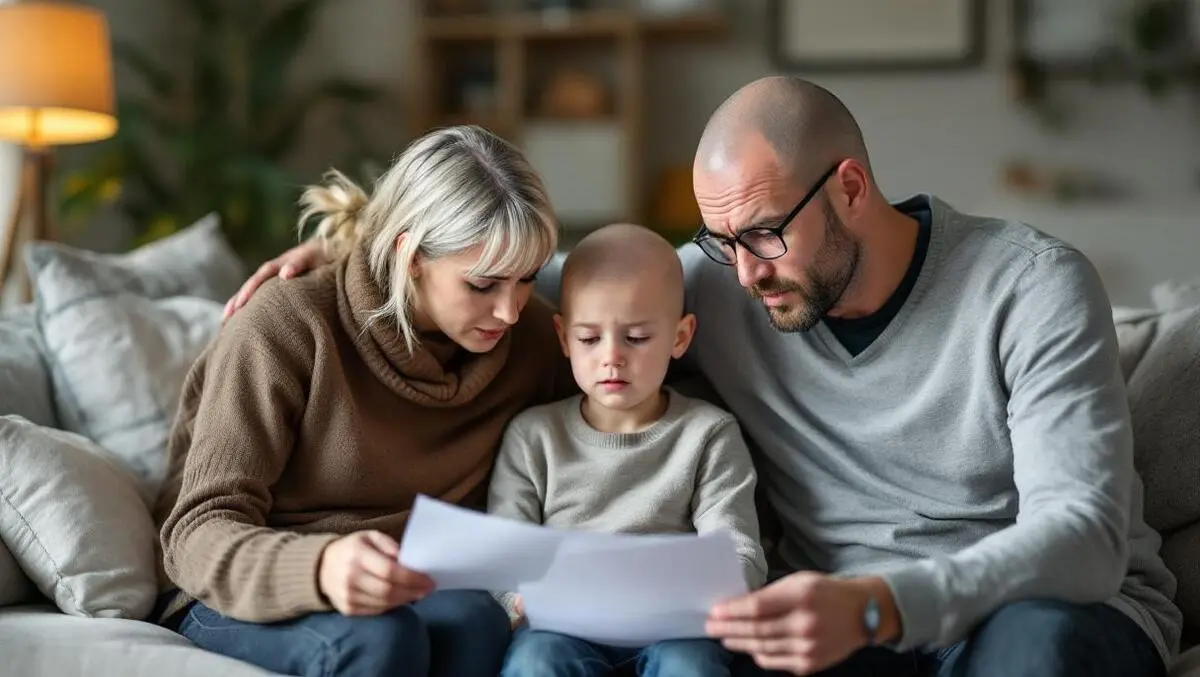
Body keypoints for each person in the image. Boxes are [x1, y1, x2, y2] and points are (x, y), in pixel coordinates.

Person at [226, 77, 1182, 677]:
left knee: (1035, 652)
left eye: (765, 231)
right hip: (839, 630)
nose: (746, 268)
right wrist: (356, 258)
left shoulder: (1031, 284)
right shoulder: (720, 282)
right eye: (720, 239)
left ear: (851, 185)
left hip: (1033, 610)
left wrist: (885, 600)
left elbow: (1084, 537)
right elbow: (551, 284)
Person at [153, 125, 577, 677]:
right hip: (245, 583)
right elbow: (195, 532)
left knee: (475, 621)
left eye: (528, 279)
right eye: (483, 285)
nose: (510, 312)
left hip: (416, 579)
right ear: (410, 255)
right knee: (378, 640)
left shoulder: (536, 340)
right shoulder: (286, 325)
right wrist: (320, 566)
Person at [487, 223, 767, 677]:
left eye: (636, 338)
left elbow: (737, 550)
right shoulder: (533, 436)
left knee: (689, 665)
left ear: (680, 337)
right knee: (537, 661)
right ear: (563, 338)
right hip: (563, 624)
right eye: (589, 339)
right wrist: (517, 595)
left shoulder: (708, 433)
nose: (611, 357)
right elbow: (507, 546)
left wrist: (718, 591)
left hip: (674, 623)